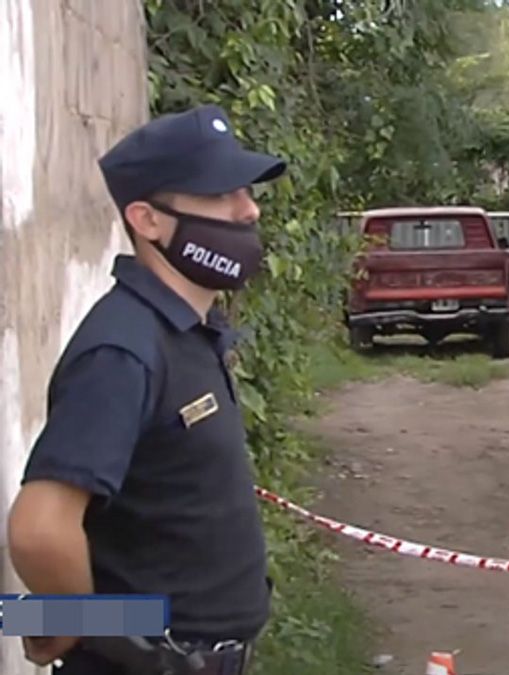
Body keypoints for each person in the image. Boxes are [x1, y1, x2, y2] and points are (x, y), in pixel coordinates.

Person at [6, 104, 286, 674]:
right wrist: (78, 627)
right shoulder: (123, 348)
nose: (248, 209)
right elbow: (38, 529)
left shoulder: (185, 332)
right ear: (147, 220)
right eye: (221, 194)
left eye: (246, 191)